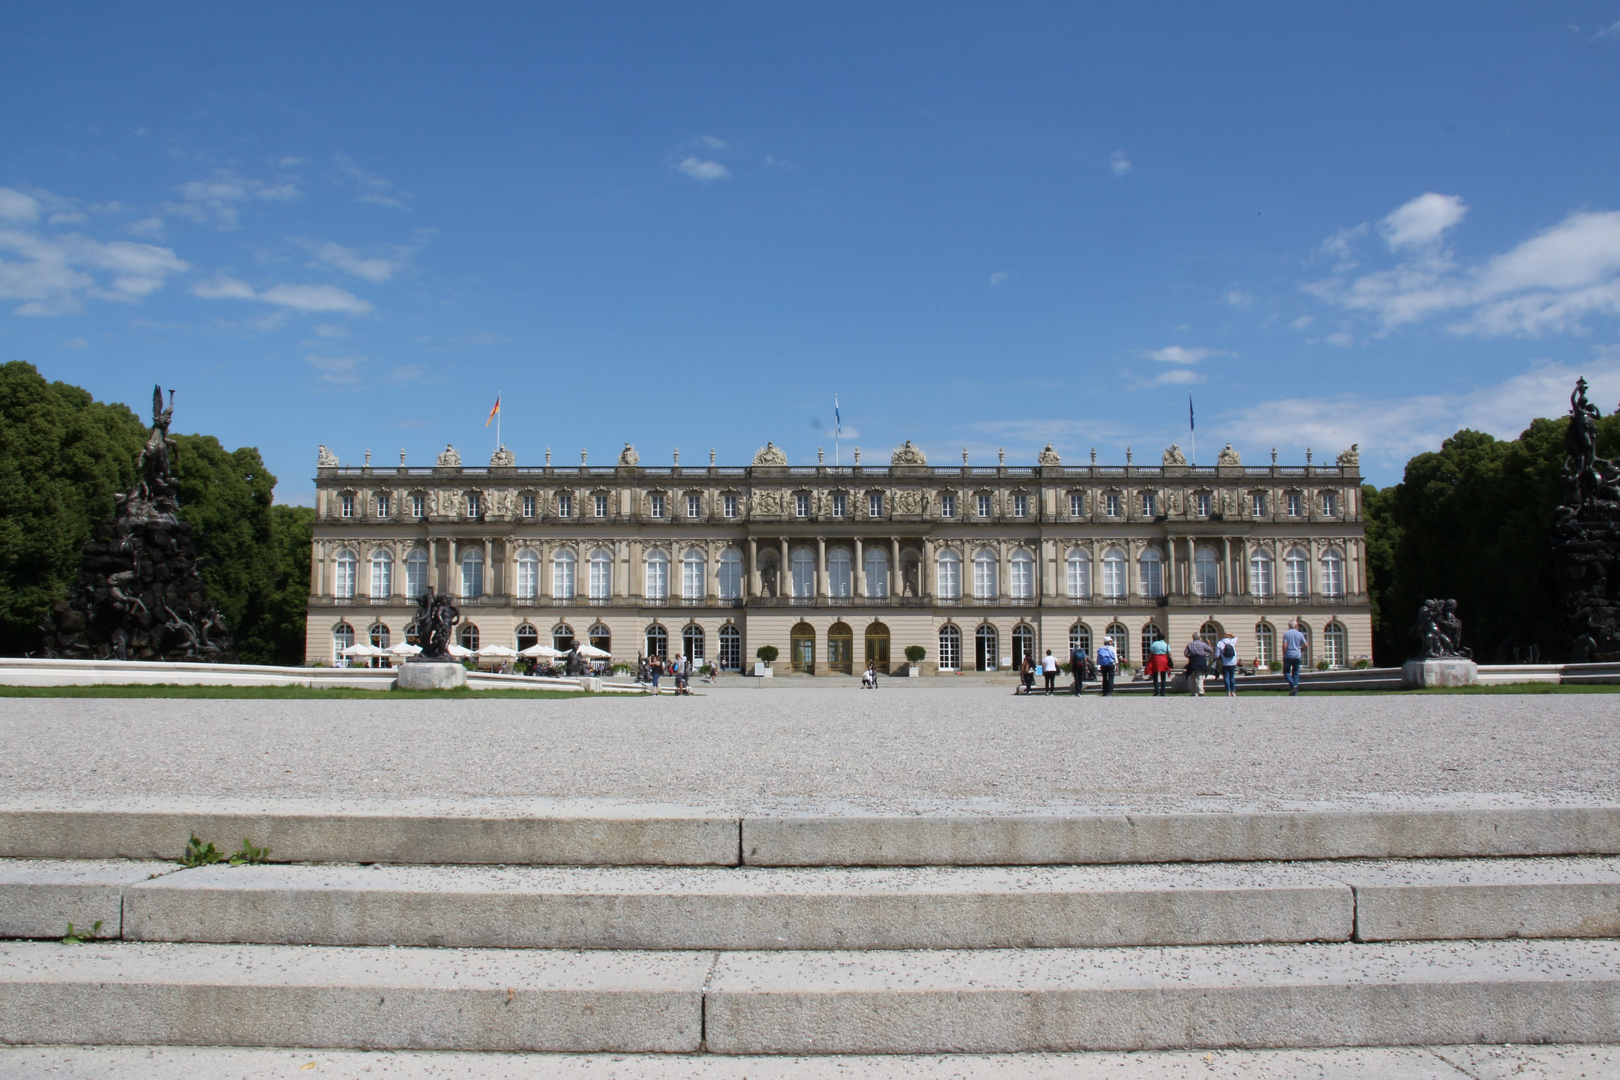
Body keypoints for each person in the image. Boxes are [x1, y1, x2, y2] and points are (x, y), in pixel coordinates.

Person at [1282, 619, 1307, 696]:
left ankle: (1293, 686)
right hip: (1297, 655)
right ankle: (1294, 692)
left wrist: (1284, 652)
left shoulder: (1286, 634)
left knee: (1286, 672)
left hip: (1288, 655)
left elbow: (1285, 645)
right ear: (1296, 626)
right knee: (1296, 673)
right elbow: (1306, 644)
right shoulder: (1300, 634)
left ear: (1289, 626)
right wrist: (1301, 650)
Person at [1215, 631, 1240, 697]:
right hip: (1233, 661)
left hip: (1224, 662)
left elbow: (1217, 655)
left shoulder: (1220, 643)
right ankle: (1233, 691)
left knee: (1226, 677)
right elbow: (1236, 638)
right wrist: (1231, 634)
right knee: (1232, 677)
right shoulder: (1232, 641)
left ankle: (1228, 691)